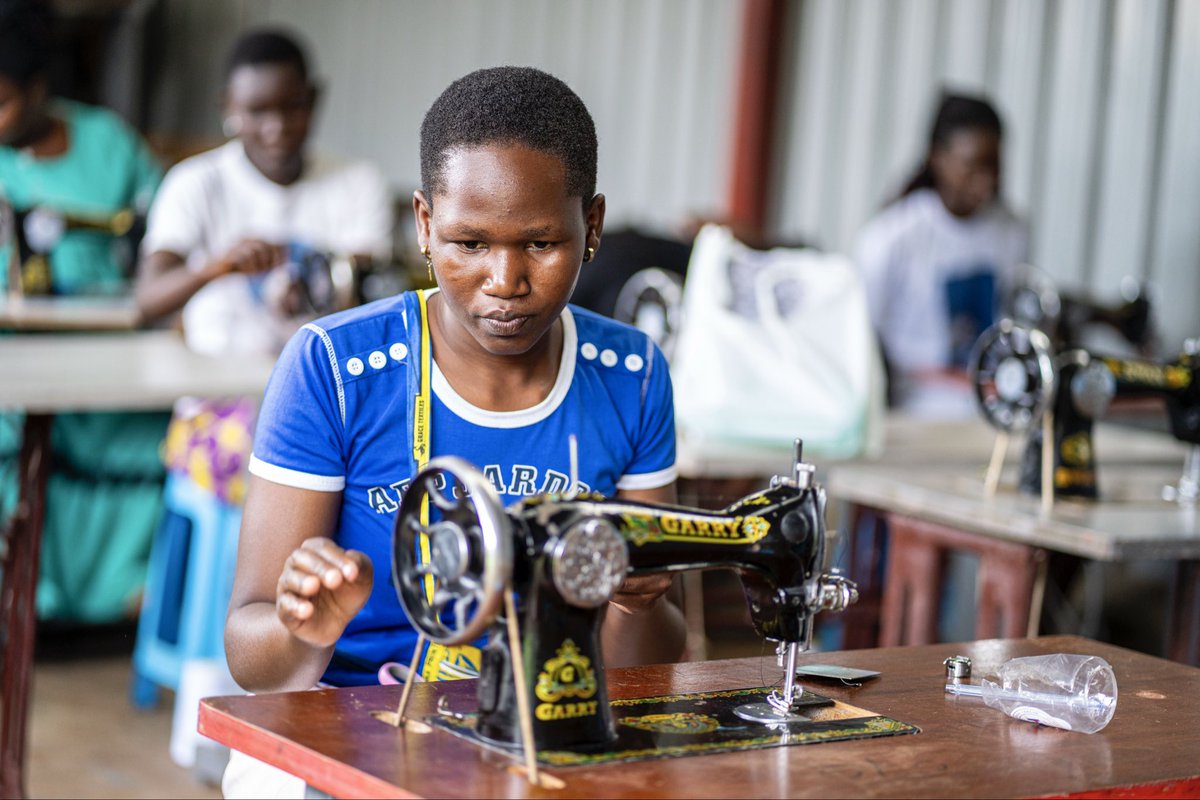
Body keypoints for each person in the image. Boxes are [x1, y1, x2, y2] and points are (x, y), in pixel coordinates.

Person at [225, 64, 686, 703]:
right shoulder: (333, 368)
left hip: (542, 717)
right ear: (423, 224)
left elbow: (651, 671)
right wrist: (306, 630)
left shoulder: (629, 375)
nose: (505, 280)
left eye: (542, 242)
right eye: (468, 243)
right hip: (353, 716)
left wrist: (634, 606)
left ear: (594, 227)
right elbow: (252, 662)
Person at [135, 27, 392, 506]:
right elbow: (147, 301)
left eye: (290, 108)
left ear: (313, 100)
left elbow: (369, 298)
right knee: (281, 471)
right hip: (217, 407)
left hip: (324, 404)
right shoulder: (197, 184)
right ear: (228, 108)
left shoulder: (358, 184)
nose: (276, 128)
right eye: (257, 112)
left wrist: (320, 279)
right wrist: (218, 266)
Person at [0, 0, 168, 623]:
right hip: (17, 344)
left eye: (4, 103)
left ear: (40, 89)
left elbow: (159, 226)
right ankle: (31, 599)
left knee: (157, 430)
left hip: (112, 341)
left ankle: (121, 594)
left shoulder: (106, 141)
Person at [855, 92, 1028, 417]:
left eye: (994, 165)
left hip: (991, 410)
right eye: (971, 165)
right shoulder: (891, 238)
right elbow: (862, 337)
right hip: (912, 413)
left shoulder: (1011, 231)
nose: (987, 180)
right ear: (937, 158)